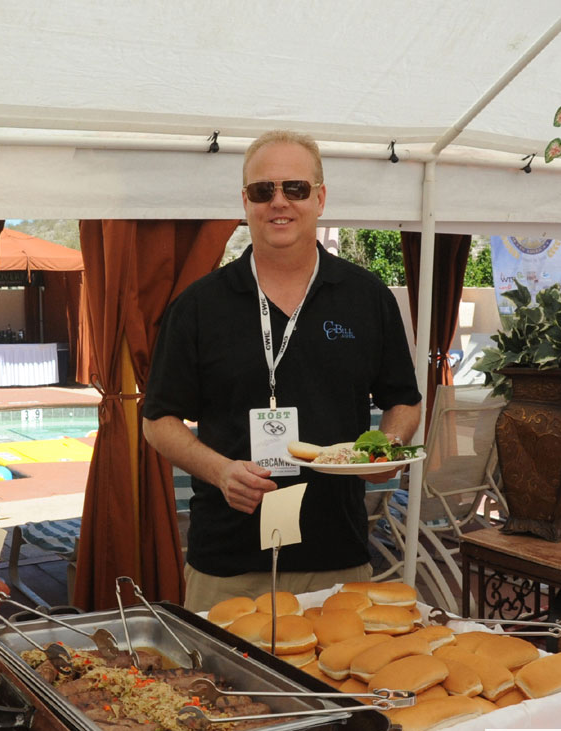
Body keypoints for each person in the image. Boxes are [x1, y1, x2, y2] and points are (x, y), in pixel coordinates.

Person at [143, 130, 422, 612]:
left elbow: (405, 399)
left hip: (337, 556)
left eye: (294, 188)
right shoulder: (198, 306)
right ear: (245, 202)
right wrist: (221, 471)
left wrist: (386, 450)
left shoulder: (366, 297)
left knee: (334, 687)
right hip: (228, 564)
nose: (279, 202)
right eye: (262, 190)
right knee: (220, 688)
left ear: (320, 197)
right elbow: (157, 420)